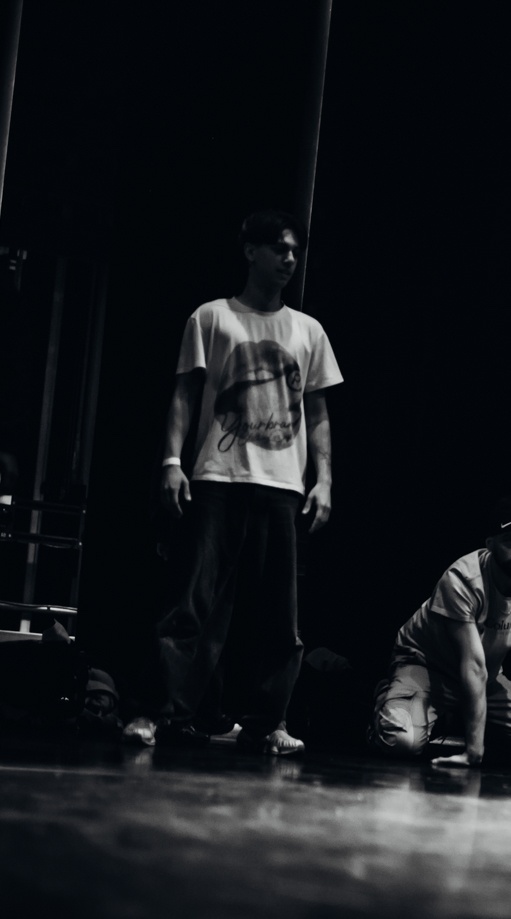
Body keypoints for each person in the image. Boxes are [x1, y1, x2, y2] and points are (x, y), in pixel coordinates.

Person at [122, 209, 342, 755]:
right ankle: (156, 712)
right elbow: (184, 394)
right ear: (250, 251)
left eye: (295, 251)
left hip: (283, 486)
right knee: (190, 602)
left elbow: (317, 412)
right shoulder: (211, 317)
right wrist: (171, 461)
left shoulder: (309, 330)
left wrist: (324, 481)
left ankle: (270, 721)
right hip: (218, 476)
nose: (289, 259)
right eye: (279, 249)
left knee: (279, 615)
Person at [368, 495, 511, 768]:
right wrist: (473, 753)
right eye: (510, 540)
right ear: (490, 544)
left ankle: (461, 720)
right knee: (401, 742)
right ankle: (387, 700)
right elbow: (473, 666)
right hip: (427, 667)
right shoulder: (463, 579)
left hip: (486, 676)